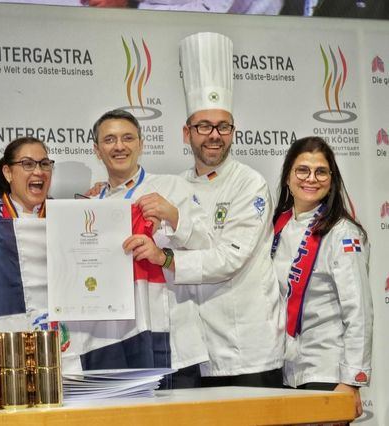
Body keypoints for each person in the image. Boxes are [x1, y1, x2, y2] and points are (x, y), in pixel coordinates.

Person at [145, 32, 284, 387]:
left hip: (247, 349)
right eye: (204, 126)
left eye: (223, 126)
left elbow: (228, 259)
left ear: (233, 131)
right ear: (186, 132)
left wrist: (168, 257)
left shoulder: (248, 184)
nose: (214, 135)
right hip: (195, 353)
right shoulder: (173, 186)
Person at [90, 108, 210, 388]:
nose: (119, 146)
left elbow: (207, 246)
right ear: (97, 150)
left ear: (141, 144)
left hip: (174, 340)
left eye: (128, 138)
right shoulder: (93, 206)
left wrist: (173, 216)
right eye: (109, 140)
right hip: (120, 342)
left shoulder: (171, 187)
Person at [272, 136, 372, 417]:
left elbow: (359, 311)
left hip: (327, 372)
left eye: (321, 171)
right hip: (282, 373)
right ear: (287, 178)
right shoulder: (275, 227)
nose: (311, 179)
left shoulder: (343, 233)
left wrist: (352, 380)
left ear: (331, 179)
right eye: (302, 170)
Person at [0, 137, 54, 218]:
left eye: (44, 164)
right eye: (28, 164)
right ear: (8, 173)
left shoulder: (65, 216)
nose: (39, 172)